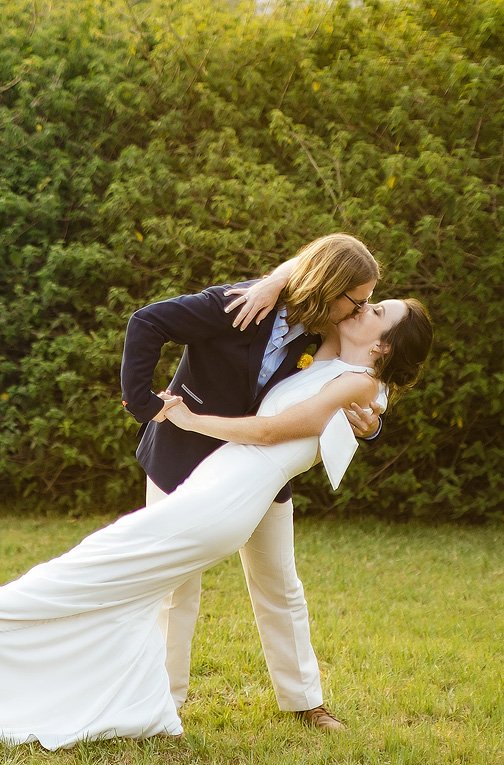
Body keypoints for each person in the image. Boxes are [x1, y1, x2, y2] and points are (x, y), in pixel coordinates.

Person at [0, 296, 432, 749]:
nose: (362, 306)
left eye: (375, 309)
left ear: (382, 345)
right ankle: (153, 695)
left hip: (233, 491)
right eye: (362, 299)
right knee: (112, 580)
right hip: (204, 479)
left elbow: (287, 426)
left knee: (265, 587)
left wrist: (193, 418)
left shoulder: (356, 373)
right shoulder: (285, 316)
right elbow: (314, 289)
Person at [120, 234, 384, 731]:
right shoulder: (238, 304)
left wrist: (370, 424)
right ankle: (163, 705)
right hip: (184, 457)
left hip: (262, 471)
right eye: (358, 300)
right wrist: (141, 402)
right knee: (176, 588)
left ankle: (306, 702)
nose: (362, 310)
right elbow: (147, 321)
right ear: (329, 288)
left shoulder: (325, 336)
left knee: (279, 582)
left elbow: (356, 376)